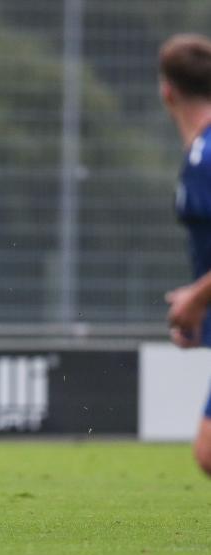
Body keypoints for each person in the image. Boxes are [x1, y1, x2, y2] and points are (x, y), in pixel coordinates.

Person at [160, 34, 211, 478]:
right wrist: (199, 299)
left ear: (166, 90)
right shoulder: (198, 153)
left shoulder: (206, 155)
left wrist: (198, 298)